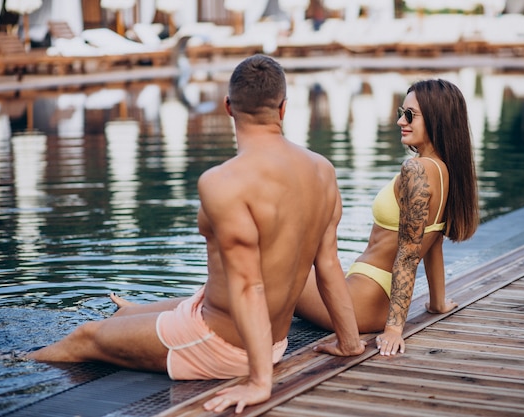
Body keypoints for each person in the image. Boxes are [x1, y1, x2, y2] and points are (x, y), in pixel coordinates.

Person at [26, 54, 365, 414]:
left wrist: (259, 382)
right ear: (283, 109)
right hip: (266, 338)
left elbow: (250, 286)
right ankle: (133, 318)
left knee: (84, 337)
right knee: (121, 318)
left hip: (224, 345)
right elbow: (328, 264)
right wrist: (349, 342)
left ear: (228, 107)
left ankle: (9, 363)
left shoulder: (224, 182)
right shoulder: (322, 170)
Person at [295, 78, 479, 357]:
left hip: (362, 304)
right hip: (372, 298)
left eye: (410, 115)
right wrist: (437, 303)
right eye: (400, 113)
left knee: (268, 264)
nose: (400, 122)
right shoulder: (446, 171)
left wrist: (394, 329)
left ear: (437, 119)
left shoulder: (416, 171)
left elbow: (408, 253)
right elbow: (433, 243)